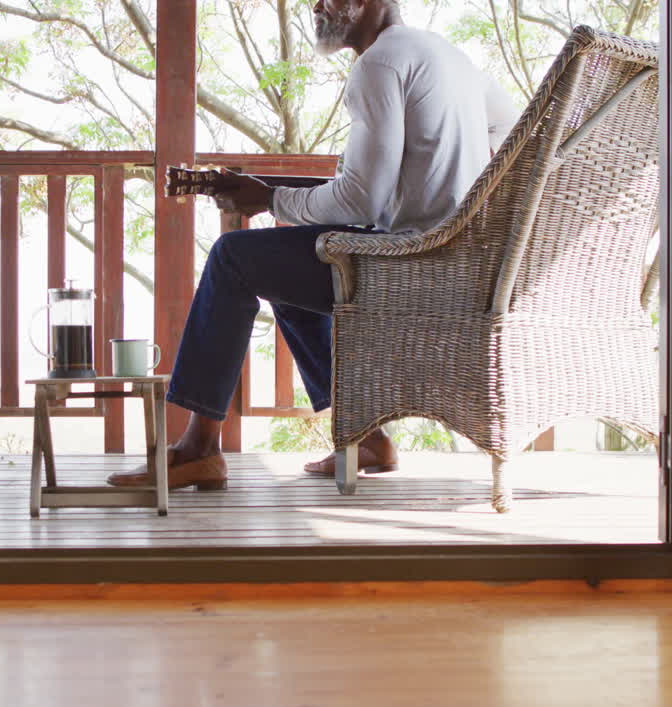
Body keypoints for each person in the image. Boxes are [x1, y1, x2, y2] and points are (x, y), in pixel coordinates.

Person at [108, 0, 519, 490]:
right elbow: (509, 132)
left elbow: (361, 203)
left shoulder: (379, 63)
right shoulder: (450, 57)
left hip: (406, 264)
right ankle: (364, 435)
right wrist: (457, 192)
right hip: (451, 261)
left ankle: (199, 447)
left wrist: (273, 198)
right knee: (284, 267)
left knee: (232, 258)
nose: (317, 6)